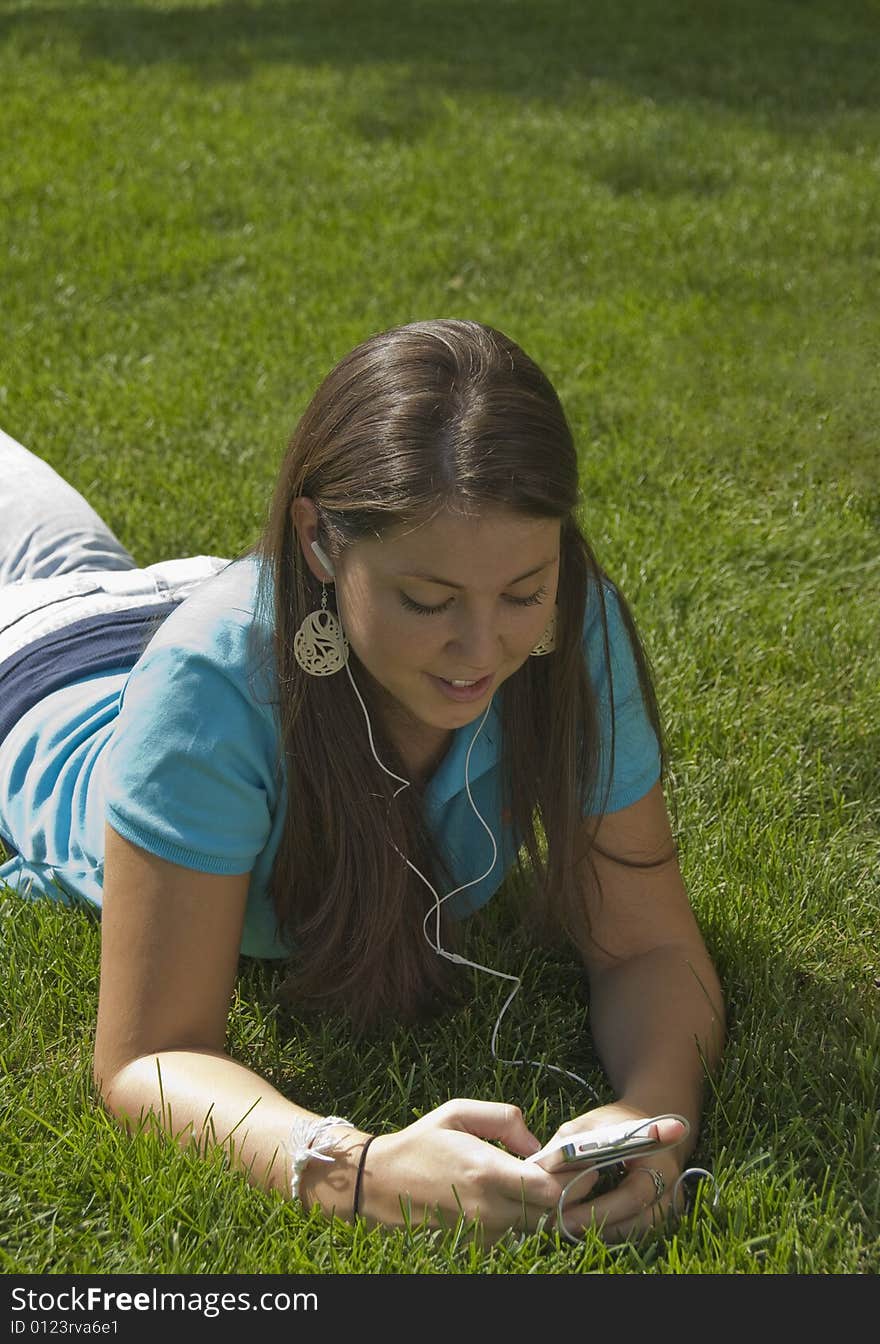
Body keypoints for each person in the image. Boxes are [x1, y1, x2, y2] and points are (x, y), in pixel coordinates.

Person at [0, 319, 725, 1246]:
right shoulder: (205, 691)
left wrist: (656, 1115)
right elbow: (149, 1055)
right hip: (41, 659)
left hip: (177, 594)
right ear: (319, 542)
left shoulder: (570, 628)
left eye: (521, 591)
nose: (480, 648)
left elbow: (645, 946)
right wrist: (357, 1169)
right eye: (427, 602)